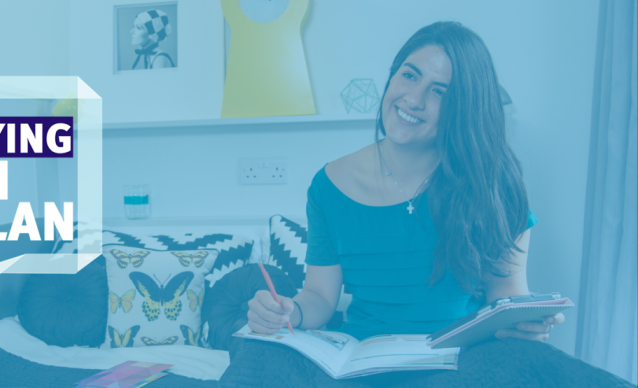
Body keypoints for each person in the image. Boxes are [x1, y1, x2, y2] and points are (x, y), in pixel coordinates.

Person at [225, 21, 631, 388]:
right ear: (392, 76)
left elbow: (506, 297)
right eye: (409, 75)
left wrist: (523, 325)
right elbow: (319, 297)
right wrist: (288, 312)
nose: (413, 99)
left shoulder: (495, 184)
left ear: (464, 109)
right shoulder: (329, 185)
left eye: (440, 92)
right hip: (360, 361)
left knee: (549, 367)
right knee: (260, 354)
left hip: (461, 362)